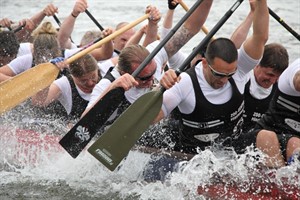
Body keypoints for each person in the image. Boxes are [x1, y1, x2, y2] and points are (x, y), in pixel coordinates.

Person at [153, 0, 269, 156]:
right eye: (219, 74)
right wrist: (157, 91)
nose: (224, 80)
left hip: (231, 151)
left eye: (229, 75)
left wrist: (261, 3)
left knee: (267, 136)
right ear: (205, 64)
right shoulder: (186, 82)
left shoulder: (240, 70)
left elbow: (260, 37)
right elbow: (155, 115)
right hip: (191, 156)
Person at [83, 0, 214, 120]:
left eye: (153, 73)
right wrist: (112, 88)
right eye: (144, 78)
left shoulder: (155, 53)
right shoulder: (107, 84)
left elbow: (191, 27)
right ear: (124, 74)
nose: (151, 80)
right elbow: (84, 122)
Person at [243, 58, 300, 168]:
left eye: (275, 77)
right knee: (270, 138)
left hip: (290, 139)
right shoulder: (295, 70)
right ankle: (276, 181)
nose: (273, 81)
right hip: (263, 137)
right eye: (270, 75)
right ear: (257, 66)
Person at [31, 53, 101, 122]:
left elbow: (106, 53)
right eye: (83, 81)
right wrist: (47, 76)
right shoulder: (64, 83)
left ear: (97, 69)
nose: (90, 83)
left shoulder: (105, 70)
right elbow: (38, 102)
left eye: (93, 77)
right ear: (74, 76)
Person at [242, 43, 289, 133]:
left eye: (278, 76)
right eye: (270, 74)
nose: (273, 81)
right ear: (257, 64)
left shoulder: (282, 89)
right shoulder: (240, 78)